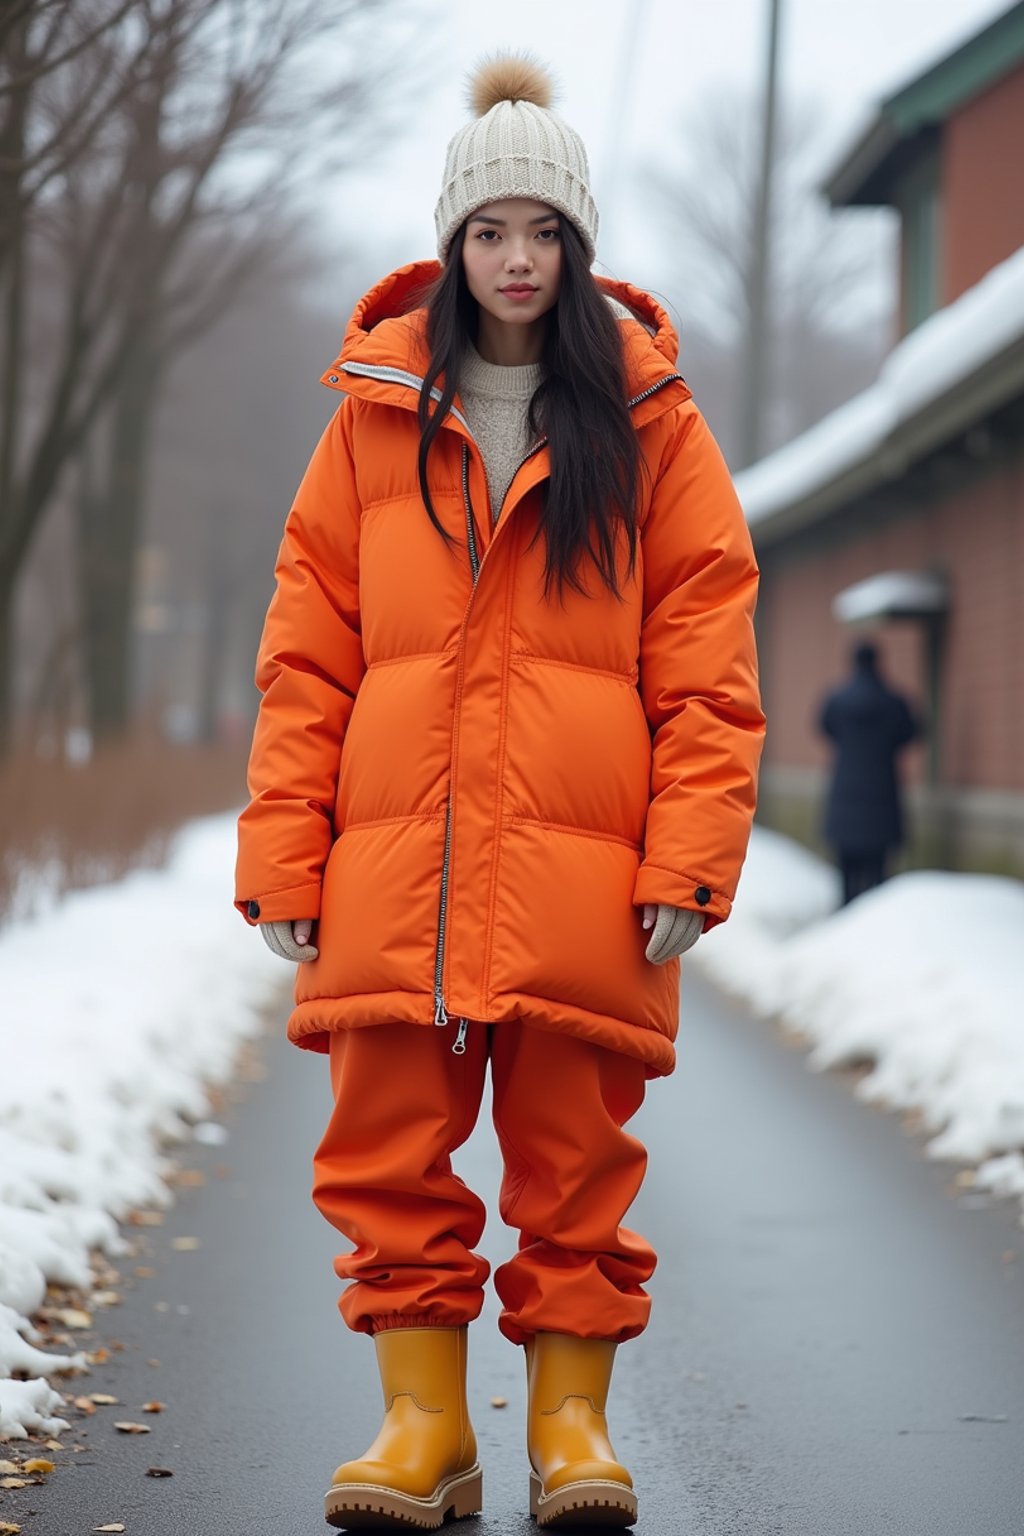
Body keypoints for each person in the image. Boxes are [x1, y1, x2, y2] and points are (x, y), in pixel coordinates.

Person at [236, 54, 764, 1532]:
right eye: (491, 231)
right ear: (452, 244)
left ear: (578, 245)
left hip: (582, 869)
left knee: (575, 1162)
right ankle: (423, 1429)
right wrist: (287, 852)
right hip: (392, 864)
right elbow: (307, 654)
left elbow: (709, 667)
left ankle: (571, 1434)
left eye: (543, 231)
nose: (517, 259)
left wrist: (688, 856)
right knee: (388, 1151)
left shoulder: (654, 428)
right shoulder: (369, 418)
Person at [819, 639, 920, 905]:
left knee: (846, 878)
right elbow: (911, 732)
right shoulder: (895, 702)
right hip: (881, 797)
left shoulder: (837, 700)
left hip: (846, 796)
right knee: (879, 877)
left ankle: (846, 920)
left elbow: (824, 727)